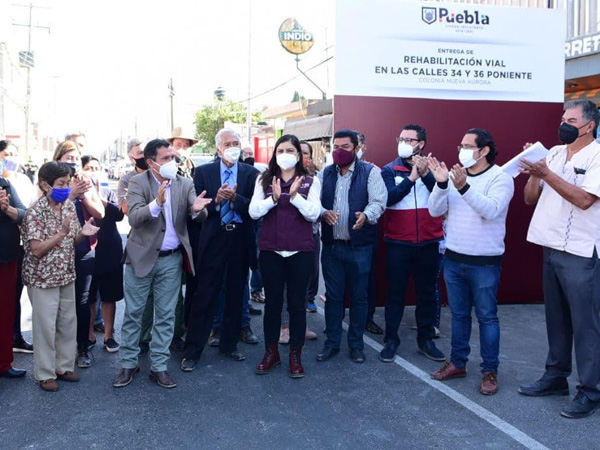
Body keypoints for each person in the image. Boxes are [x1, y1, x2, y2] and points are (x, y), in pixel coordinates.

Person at [518, 100, 600, 419]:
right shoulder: (552, 153)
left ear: (590, 126)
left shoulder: (597, 155)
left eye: (572, 120)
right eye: (563, 118)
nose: (564, 124)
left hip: (581, 250)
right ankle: (555, 377)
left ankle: (591, 390)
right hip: (550, 245)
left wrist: (546, 174)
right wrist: (534, 173)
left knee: (586, 324)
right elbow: (529, 198)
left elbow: (584, 199)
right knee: (557, 318)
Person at [112, 139, 209, 389]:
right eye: (165, 158)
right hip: (141, 257)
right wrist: (157, 203)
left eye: (172, 157)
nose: (171, 162)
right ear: (151, 162)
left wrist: (198, 210)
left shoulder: (184, 183)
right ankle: (129, 363)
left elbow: (198, 212)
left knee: (166, 316)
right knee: (134, 313)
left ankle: (159, 366)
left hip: (171, 260)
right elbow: (134, 218)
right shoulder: (137, 182)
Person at [427, 128, 514, 396]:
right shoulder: (455, 177)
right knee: (459, 315)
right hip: (454, 259)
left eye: (467, 146)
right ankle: (457, 363)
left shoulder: (500, 177)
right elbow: (435, 210)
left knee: (487, 317)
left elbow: (491, 210)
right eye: (461, 146)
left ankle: (490, 371)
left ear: (484, 150)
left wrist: (463, 187)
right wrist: (442, 184)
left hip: (485, 262)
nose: (461, 151)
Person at [181, 128, 259, 372]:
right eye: (228, 144)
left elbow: (255, 209)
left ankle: (229, 344)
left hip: (240, 239)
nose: (233, 148)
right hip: (213, 239)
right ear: (218, 149)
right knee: (205, 295)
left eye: (236, 143)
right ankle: (192, 351)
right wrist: (216, 201)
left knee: (236, 294)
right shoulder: (204, 172)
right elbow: (197, 209)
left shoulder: (251, 173)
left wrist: (235, 199)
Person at [21, 161, 99, 391]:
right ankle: (45, 374)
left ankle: (63, 367)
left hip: (66, 273)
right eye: (61, 184)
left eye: (67, 183)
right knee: (45, 327)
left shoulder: (67, 207)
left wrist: (82, 234)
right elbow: (36, 249)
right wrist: (62, 233)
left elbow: (72, 241)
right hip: (42, 278)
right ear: (45, 185)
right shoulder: (35, 212)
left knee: (67, 322)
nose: (66, 188)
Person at [249, 134, 321, 378]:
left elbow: (313, 214)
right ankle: (271, 352)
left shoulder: (310, 181)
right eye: (280, 150)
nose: (285, 155)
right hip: (272, 250)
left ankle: (295, 355)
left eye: (290, 150)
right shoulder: (264, 179)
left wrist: (295, 197)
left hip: (300, 250)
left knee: (297, 304)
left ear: (298, 155)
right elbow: (253, 212)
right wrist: (274, 199)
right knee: (272, 304)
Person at [317, 129, 387, 364]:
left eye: (345, 147)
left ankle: (356, 345)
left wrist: (366, 216)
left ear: (357, 148)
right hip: (332, 247)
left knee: (358, 297)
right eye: (335, 147)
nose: (339, 151)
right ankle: (331, 344)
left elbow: (379, 201)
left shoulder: (370, 172)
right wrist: (322, 212)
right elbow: (313, 202)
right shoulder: (325, 173)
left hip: (359, 247)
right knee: (334, 298)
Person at [379, 124, 445, 363]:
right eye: (401, 139)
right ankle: (391, 339)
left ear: (421, 144)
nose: (404, 143)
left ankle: (425, 340)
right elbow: (389, 199)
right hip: (398, 242)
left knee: (426, 293)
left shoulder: (435, 167)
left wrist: (426, 174)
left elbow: (441, 196)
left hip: (429, 241)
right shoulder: (389, 169)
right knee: (395, 292)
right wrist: (411, 178)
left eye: (409, 139)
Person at [53, 141, 105, 369]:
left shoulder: (85, 182)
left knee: (82, 301)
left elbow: (100, 213)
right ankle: (59, 351)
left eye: (76, 158)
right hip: (56, 251)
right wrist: (70, 194)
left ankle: (82, 347)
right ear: (58, 159)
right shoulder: (50, 180)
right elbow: (45, 210)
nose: (72, 162)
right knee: (57, 303)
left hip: (83, 250)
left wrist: (82, 195)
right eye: (68, 158)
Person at [82, 156, 124, 352]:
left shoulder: (108, 192)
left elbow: (119, 215)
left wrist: (100, 198)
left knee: (109, 295)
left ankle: (108, 335)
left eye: (96, 168)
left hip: (110, 250)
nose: (92, 172)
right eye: (88, 168)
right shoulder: (77, 195)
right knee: (89, 296)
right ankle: (89, 334)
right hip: (87, 250)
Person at [117, 139, 153, 357]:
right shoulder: (127, 180)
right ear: (132, 157)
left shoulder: (162, 175)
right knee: (139, 301)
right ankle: (139, 342)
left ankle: (172, 337)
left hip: (165, 244)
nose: (144, 156)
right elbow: (127, 209)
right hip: (140, 243)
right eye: (139, 152)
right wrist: (151, 203)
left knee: (169, 301)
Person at [0, 141, 35, 353]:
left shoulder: (11, 182)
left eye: (14, 154)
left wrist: (8, 209)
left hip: (11, 250)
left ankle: (10, 347)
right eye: (6, 154)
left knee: (10, 300)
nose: (10, 158)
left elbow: (25, 212)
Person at [167, 126, 200, 351]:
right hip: (171, 233)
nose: (182, 149)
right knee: (171, 288)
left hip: (192, 233)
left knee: (193, 283)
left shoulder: (194, 167)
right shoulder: (167, 168)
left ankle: (185, 325)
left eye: (186, 145)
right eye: (178, 144)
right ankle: (171, 331)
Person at [356, 131, 384, 335]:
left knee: (367, 280)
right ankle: (335, 320)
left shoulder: (374, 171)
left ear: (364, 147)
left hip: (366, 235)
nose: (355, 150)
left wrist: (366, 215)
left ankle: (368, 318)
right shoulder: (332, 172)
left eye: (358, 146)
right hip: (340, 235)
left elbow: (379, 200)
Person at [0, 171, 27, 379]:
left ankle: (4, 363)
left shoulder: (5, 184)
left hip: (7, 256)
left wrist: (7, 208)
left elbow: (24, 214)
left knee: (6, 310)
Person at [300, 140, 320, 314]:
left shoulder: (316, 178)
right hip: (290, 232)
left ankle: (310, 298)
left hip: (311, 230)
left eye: (305, 153)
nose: (301, 156)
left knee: (312, 267)